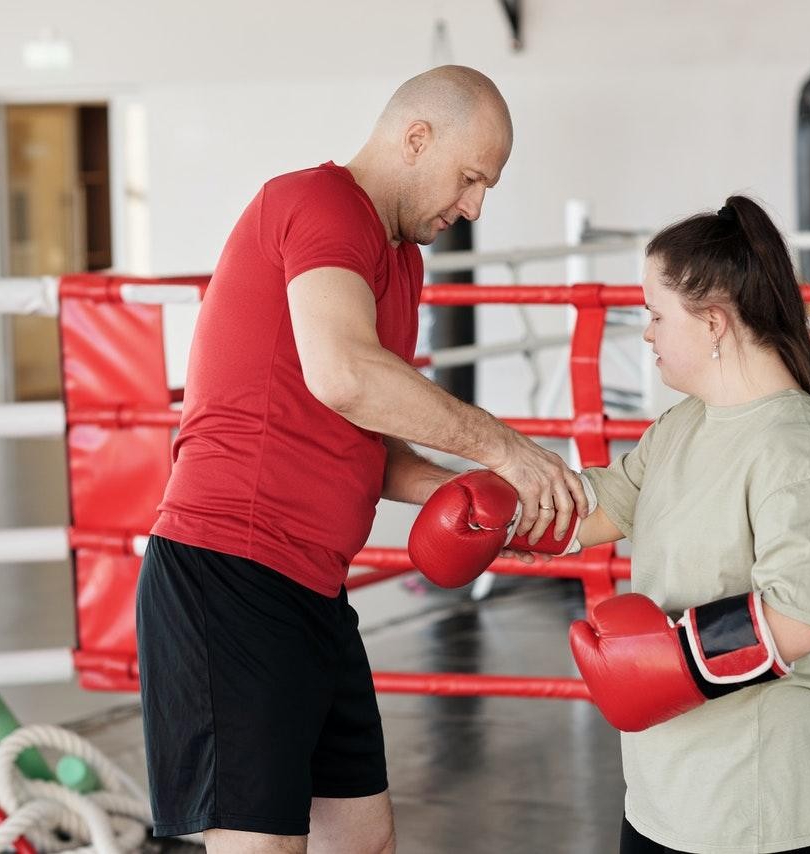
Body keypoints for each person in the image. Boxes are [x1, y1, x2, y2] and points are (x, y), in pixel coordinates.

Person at [135, 65, 589, 854]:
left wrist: (477, 498)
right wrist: (509, 449)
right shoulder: (315, 203)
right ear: (416, 139)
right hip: (229, 576)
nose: (475, 206)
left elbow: (359, 440)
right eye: (470, 178)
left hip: (310, 589)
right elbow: (344, 374)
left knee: (362, 837)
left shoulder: (399, 260)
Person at [567, 196, 810, 853]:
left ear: (711, 323)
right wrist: (501, 508)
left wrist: (665, 659)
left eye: (654, 313)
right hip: (661, 794)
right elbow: (608, 503)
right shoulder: (685, 422)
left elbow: (801, 615)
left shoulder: (793, 447)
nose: (645, 332)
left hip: (748, 811)